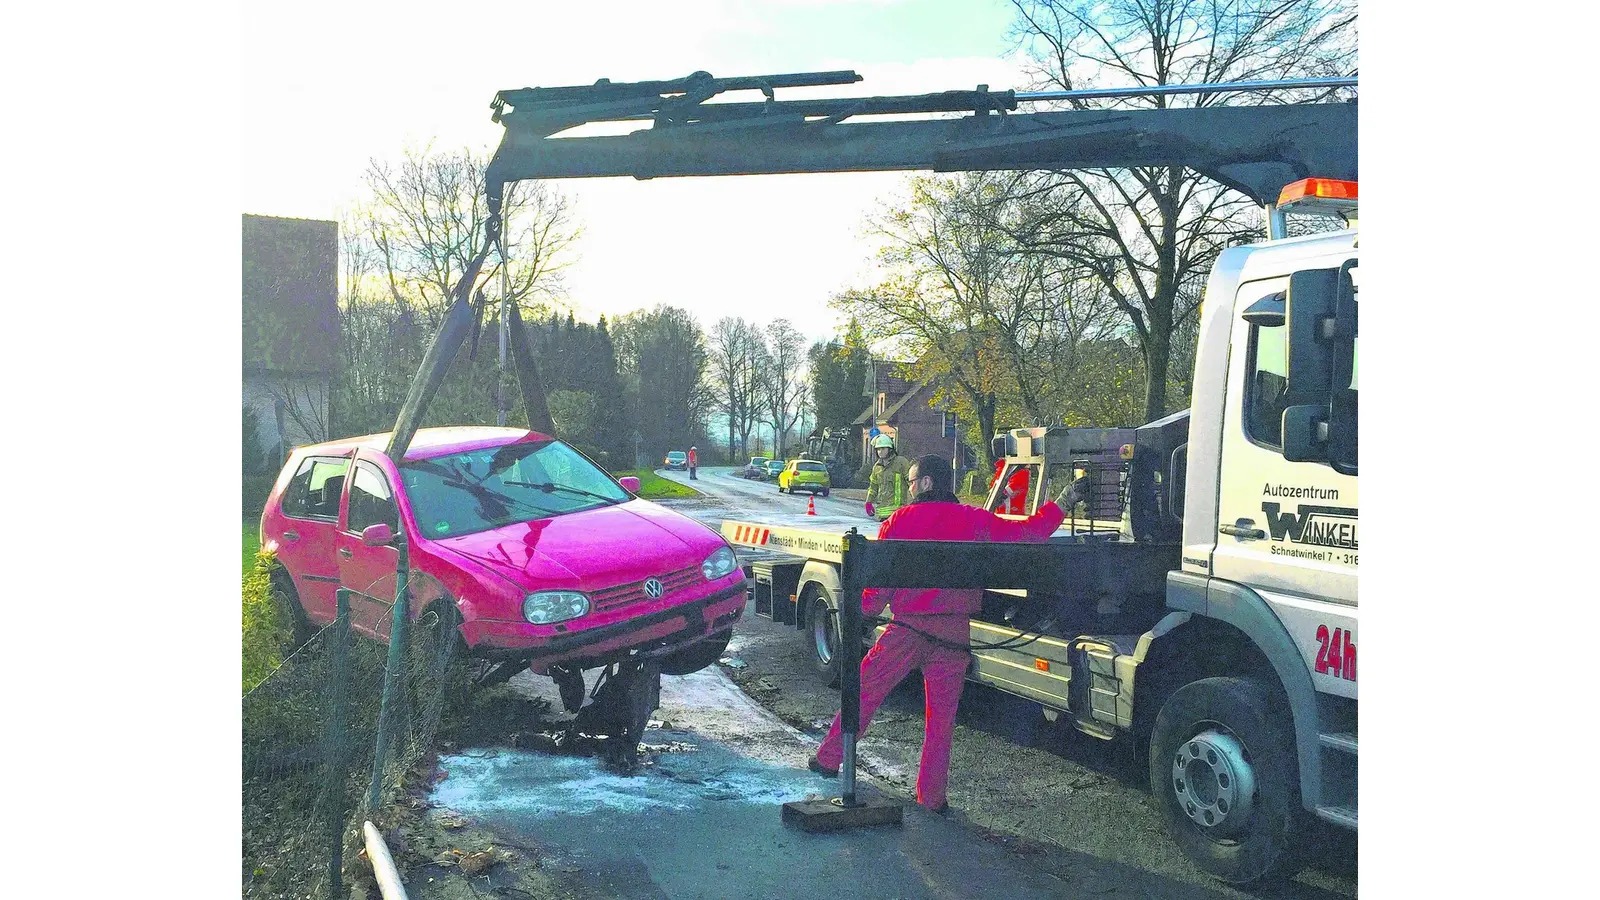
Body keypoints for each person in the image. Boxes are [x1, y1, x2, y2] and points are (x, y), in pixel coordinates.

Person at [810, 453, 1087, 813]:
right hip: (954, 635)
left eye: (911, 482)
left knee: (864, 692)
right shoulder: (973, 520)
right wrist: (1064, 500)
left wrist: (863, 611)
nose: (909, 489)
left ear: (925, 483)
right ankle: (931, 797)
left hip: (906, 630)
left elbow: (880, 585)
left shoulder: (899, 521)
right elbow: (1028, 534)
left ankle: (829, 759)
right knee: (940, 722)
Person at [863, 434, 913, 521]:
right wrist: (868, 502)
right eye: (878, 449)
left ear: (890, 449)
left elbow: (912, 483)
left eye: (883, 448)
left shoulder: (901, 462)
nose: (880, 451)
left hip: (898, 512)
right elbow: (873, 487)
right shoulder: (877, 467)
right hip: (882, 514)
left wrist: (917, 500)